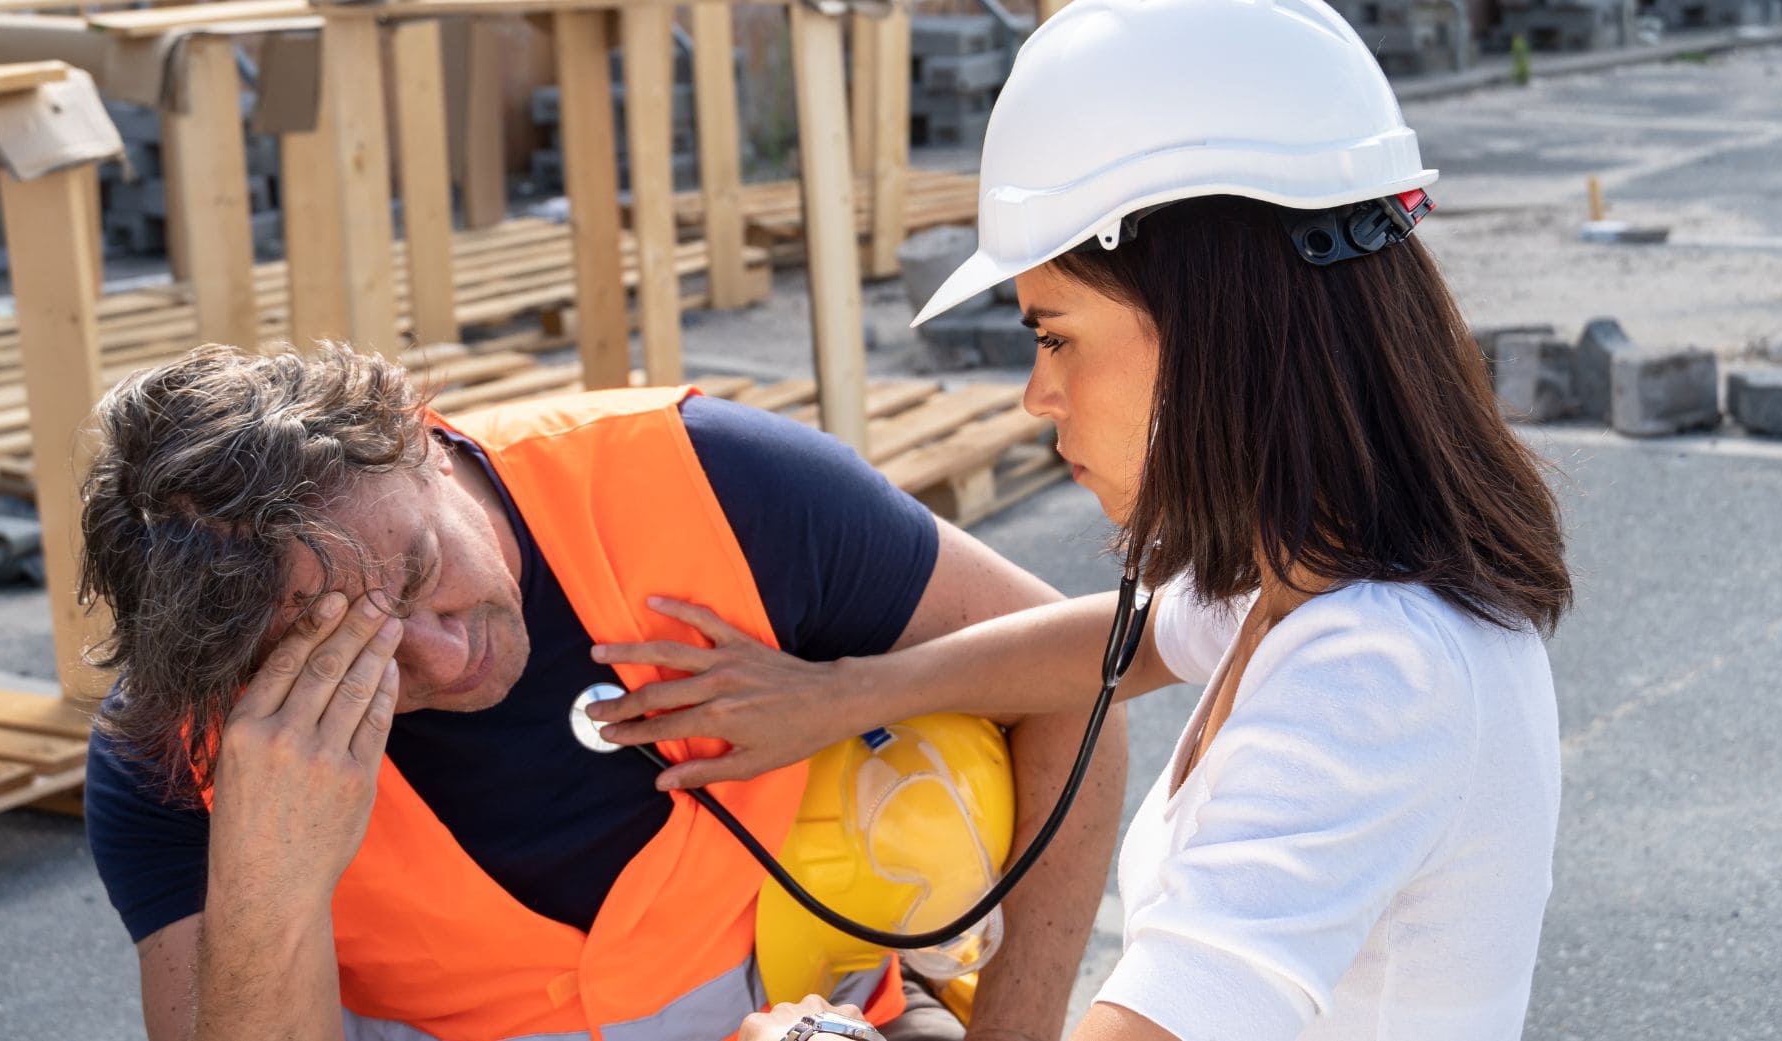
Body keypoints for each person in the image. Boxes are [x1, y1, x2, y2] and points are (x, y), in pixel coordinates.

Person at [580, 1, 1575, 1039]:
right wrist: (841, 696)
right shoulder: (1306, 581)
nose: (1035, 396)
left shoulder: (1374, 677)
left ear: (1212, 327)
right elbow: (1124, 638)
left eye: (1053, 336)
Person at [77, 343, 1126, 1041]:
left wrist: (849, 693)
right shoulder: (177, 751)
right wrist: (270, 883)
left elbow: (1092, 673)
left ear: (417, 439)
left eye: (416, 574)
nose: (444, 660)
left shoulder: (709, 479)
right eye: (356, 659)